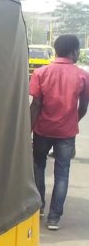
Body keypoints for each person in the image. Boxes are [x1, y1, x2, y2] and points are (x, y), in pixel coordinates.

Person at [30, 34, 89, 230]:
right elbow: (83, 106)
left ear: (56, 50)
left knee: (38, 166)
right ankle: (54, 218)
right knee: (62, 173)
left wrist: (29, 129)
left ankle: (39, 208)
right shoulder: (82, 75)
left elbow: (36, 104)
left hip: (42, 130)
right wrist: (74, 120)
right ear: (73, 51)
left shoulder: (41, 73)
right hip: (66, 133)